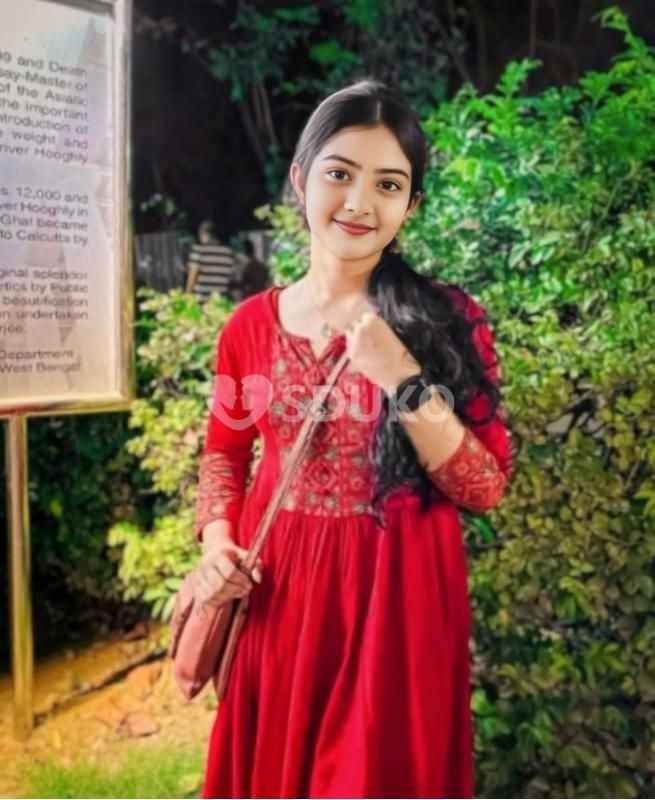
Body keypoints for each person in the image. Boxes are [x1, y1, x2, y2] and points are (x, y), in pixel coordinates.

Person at [190, 79, 513, 798]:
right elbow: (224, 454)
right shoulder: (247, 327)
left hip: (395, 601)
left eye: (388, 184)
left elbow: (484, 486)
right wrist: (217, 548)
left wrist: (402, 376)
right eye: (339, 174)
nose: (360, 203)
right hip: (279, 593)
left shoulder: (447, 320)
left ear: (411, 205)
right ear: (300, 178)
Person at [185, 220, 239, 301]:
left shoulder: (199, 250)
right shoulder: (228, 252)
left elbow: (193, 275)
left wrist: (187, 294)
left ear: (204, 234)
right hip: (221, 299)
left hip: (202, 299)